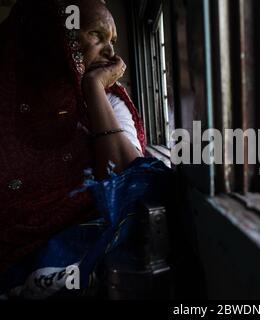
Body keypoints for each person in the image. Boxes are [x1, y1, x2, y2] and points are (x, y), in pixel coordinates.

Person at [0, 0, 170, 298]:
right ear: (52, 38)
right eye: (96, 34)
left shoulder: (108, 100)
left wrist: (93, 87)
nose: (111, 53)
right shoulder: (7, 106)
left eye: (113, 41)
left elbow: (129, 178)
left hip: (84, 248)